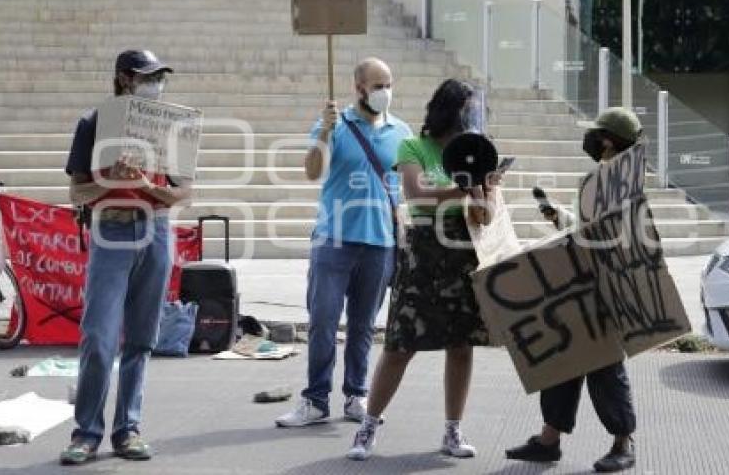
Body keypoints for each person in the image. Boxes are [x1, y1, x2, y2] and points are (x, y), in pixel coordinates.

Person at [346, 79, 497, 461]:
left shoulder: (476, 152)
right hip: (424, 255)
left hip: (464, 252)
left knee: (461, 346)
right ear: (449, 109)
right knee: (400, 345)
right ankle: (368, 428)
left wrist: (485, 189)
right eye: (467, 109)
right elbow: (415, 193)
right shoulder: (414, 145)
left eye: (475, 111)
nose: (472, 117)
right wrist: (461, 189)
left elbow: (487, 215)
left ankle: (452, 431)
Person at [60, 50, 193, 465]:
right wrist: (108, 181)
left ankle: (127, 430)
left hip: (155, 228)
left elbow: (181, 193)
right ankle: (86, 433)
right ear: (123, 79)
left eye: (159, 77)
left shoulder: (173, 125)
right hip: (111, 229)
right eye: (147, 76)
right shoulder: (93, 123)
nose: (156, 84)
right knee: (99, 337)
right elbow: (77, 193)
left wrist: (143, 184)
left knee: (140, 337)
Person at [275, 57, 413, 428]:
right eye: (377, 85)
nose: (385, 92)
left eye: (388, 84)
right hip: (333, 239)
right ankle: (316, 399)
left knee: (363, 324)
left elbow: (408, 187)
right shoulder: (334, 125)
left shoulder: (402, 132)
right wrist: (323, 133)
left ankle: (355, 395)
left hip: (380, 242)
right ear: (359, 89)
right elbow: (311, 172)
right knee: (322, 320)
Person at [504, 107, 642, 473]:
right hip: (581, 282)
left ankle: (623, 442)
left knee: (605, 366)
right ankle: (549, 440)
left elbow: (615, 239)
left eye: (597, 135)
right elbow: (588, 230)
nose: (591, 140)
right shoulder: (602, 177)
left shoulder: (619, 183)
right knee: (563, 358)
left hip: (605, 287)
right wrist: (560, 217)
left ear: (608, 140)